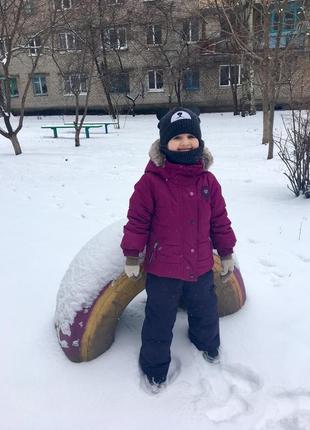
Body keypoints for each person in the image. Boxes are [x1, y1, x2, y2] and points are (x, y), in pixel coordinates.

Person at [120, 107, 236, 392]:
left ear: (199, 140)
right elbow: (137, 221)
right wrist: (132, 255)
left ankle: (206, 345)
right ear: (164, 144)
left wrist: (226, 251)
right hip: (163, 269)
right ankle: (155, 366)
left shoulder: (208, 182)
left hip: (200, 266)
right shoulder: (151, 183)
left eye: (190, 136)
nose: (185, 142)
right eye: (177, 138)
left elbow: (219, 220)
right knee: (160, 318)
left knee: (205, 309)